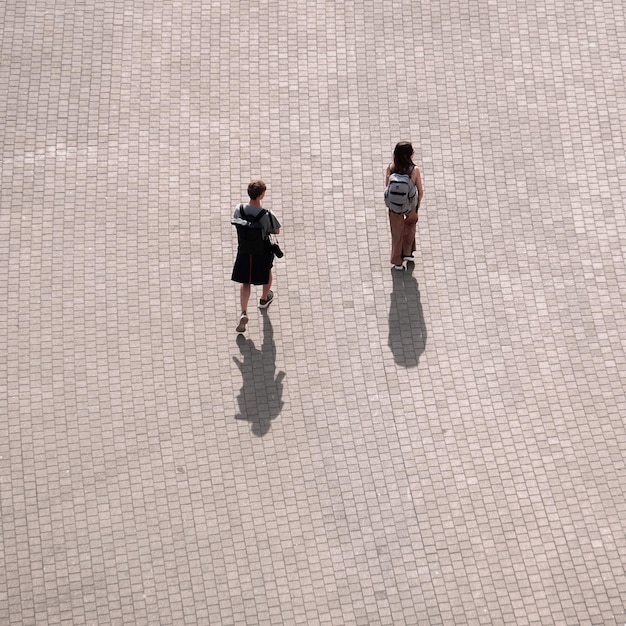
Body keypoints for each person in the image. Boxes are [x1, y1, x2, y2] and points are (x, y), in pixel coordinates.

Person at [231, 180, 281, 333]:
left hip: (245, 251)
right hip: (262, 251)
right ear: (261, 196)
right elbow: (276, 231)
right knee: (267, 272)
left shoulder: (238, 209)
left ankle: (244, 312)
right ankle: (264, 299)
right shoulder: (267, 214)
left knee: (245, 282)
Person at [385, 142, 424, 270]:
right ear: (410, 155)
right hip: (410, 205)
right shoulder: (414, 170)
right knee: (410, 225)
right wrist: (416, 206)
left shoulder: (391, 168)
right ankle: (408, 253)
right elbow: (420, 191)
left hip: (394, 206)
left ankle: (397, 261)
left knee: (397, 233)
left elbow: (387, 186)